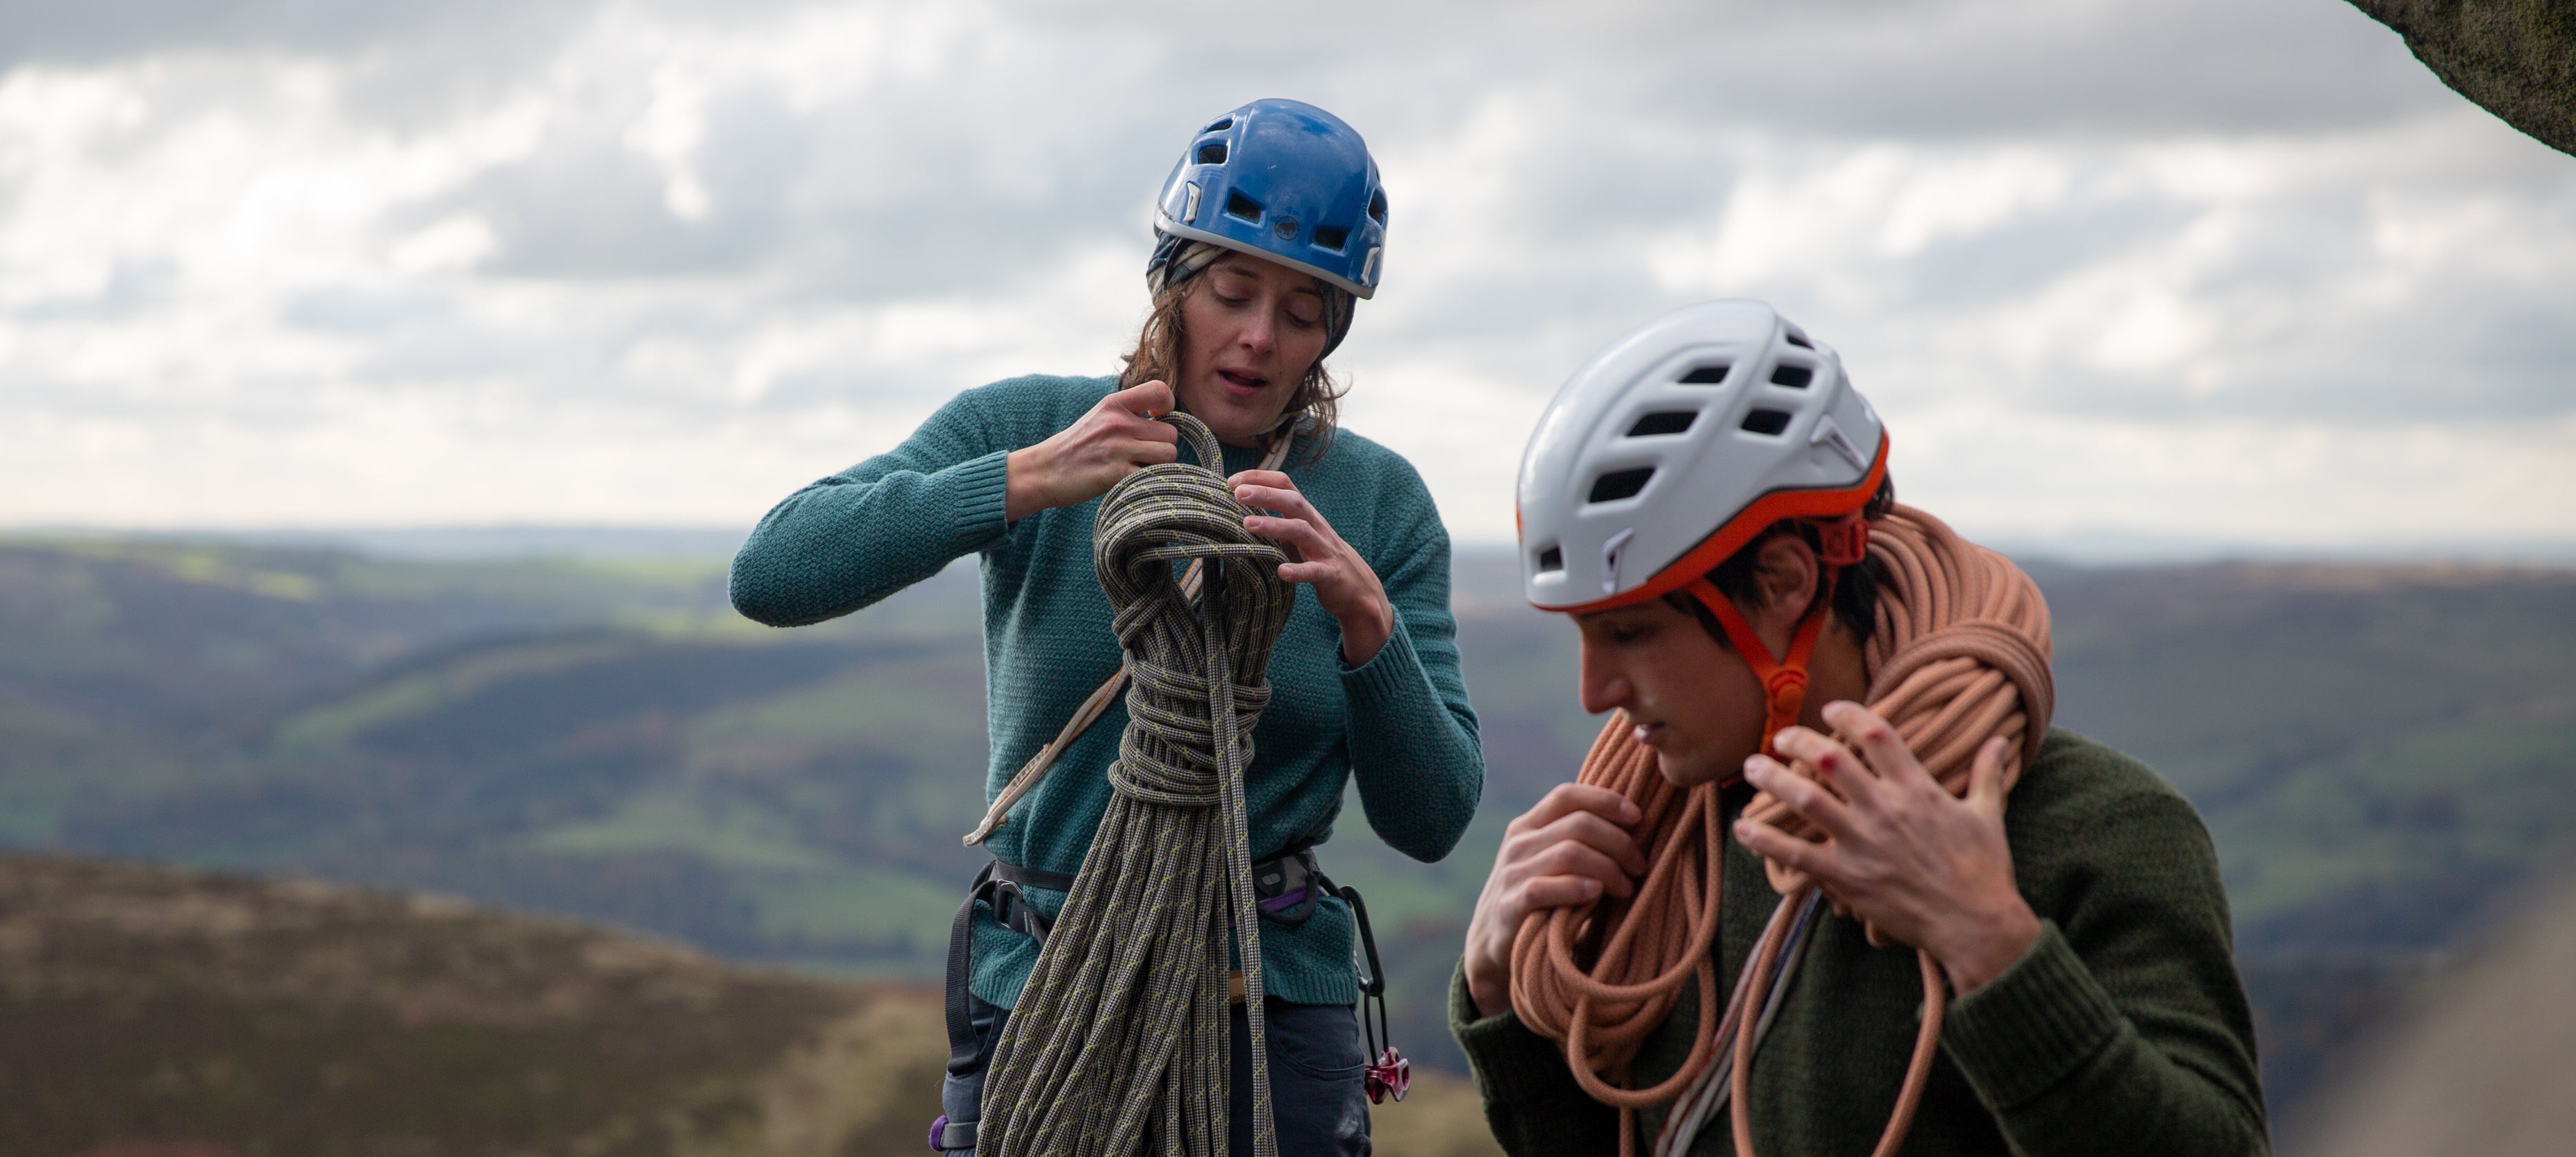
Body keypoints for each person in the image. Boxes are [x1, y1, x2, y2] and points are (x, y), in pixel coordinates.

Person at [729, 99, 1482, 1157]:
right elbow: (773, 570)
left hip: (1270, 1013)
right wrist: (1025, 481)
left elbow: (1436, 814)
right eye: (1232, 291)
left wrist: (1367, 620)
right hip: (1046, 988)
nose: (1262, 337)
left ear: (1334, 330)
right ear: (1172, 281)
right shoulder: (1032, 426)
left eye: (1306, 312)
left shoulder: (1378, 504)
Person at [1452, 300, 2265, 1156]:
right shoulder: (1658, 847)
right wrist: (1499, 990)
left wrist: (1987, 938)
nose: (1594, 692)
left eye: (1630, 631)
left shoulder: (2094, 829)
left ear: (1784, 581)